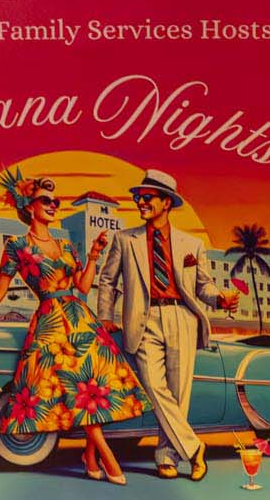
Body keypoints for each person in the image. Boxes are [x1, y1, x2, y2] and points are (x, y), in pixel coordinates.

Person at [0, 170, 144, 485]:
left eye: (56, 202)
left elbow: (83, 286)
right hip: (51, 322)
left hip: (81, 319)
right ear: (29, 206)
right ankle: (107, 456)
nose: (53, 205)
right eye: (46, 201)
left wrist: (93, 256)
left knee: (97, 386)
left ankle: (89, 456)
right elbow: (1, 287)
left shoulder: (65, 245)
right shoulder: (17, 244)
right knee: (77, 387)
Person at [96, 169, 238, 482]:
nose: (141, 202)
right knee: (154, 387)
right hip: (143, 320)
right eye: (138, 197)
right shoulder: (125, 240)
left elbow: (203, 286)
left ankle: (167, 457)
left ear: (167, 203)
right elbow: (107, 280)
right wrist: (105, 316)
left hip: (182, 318)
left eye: (148, 197)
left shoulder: (192, 244)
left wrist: (219, 299)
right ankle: (194, 448)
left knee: (178, 394)